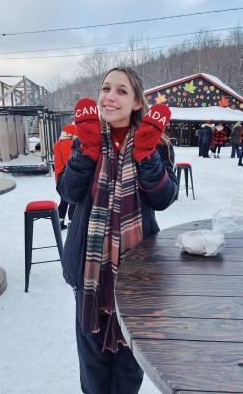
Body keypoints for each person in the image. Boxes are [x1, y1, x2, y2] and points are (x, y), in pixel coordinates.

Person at [57, 66, 179, 394]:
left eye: (122, 91)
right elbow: (67, 192)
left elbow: (164, 197)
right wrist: (87, 150)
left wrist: (146, 154)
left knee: (129, 369)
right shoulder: (82, 136)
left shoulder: (158, 140)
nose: (109, 97)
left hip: (138, 276)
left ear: (138, 102)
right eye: (105, 88)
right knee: (93, 372)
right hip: (89, 273)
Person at [53, 122, 77, 230]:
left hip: (59, 177)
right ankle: (72, 223)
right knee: (73, 200)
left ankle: (59, 222)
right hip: (70, 176)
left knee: (63, 200)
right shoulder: (71, 144)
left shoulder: (57, 144)